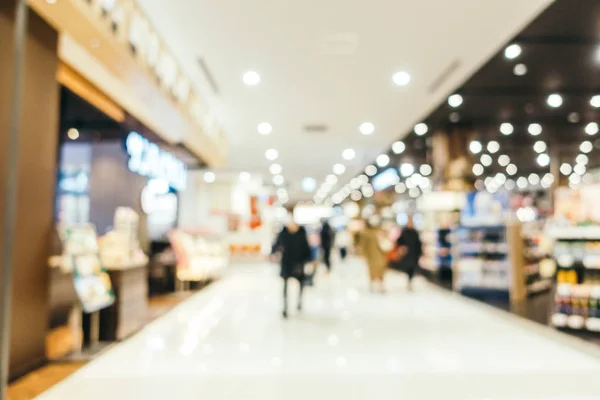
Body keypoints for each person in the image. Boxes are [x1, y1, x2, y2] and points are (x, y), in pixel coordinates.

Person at [272, 208, 312, 318]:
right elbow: (276, 245)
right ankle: (285, 307)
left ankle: (299, 303)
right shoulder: (283, 233)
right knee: (285, 286)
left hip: (299, 263)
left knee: (301, 284)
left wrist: (308, 260)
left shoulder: (301, 232)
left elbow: (306, 247)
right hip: (286, 263)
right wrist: (274, 252)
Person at [358, 220, 388, 293]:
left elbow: (363, 245)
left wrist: (363, 254)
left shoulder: (368, 233)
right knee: (378, 271)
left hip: (374, 255)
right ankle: (377, 286)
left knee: (374, 271)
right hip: (377, 255)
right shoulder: (377, 233)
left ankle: (374, 286)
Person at [395, 217, 423, 290]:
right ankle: (408, 278)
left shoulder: (415, 232)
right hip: (406, 254)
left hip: (413, 254)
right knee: (407, 267)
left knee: (412, 268)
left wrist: (419, 253)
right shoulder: (404, 232)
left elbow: (418, 243)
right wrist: (401, 248)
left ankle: (410, 280)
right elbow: (399, 241)